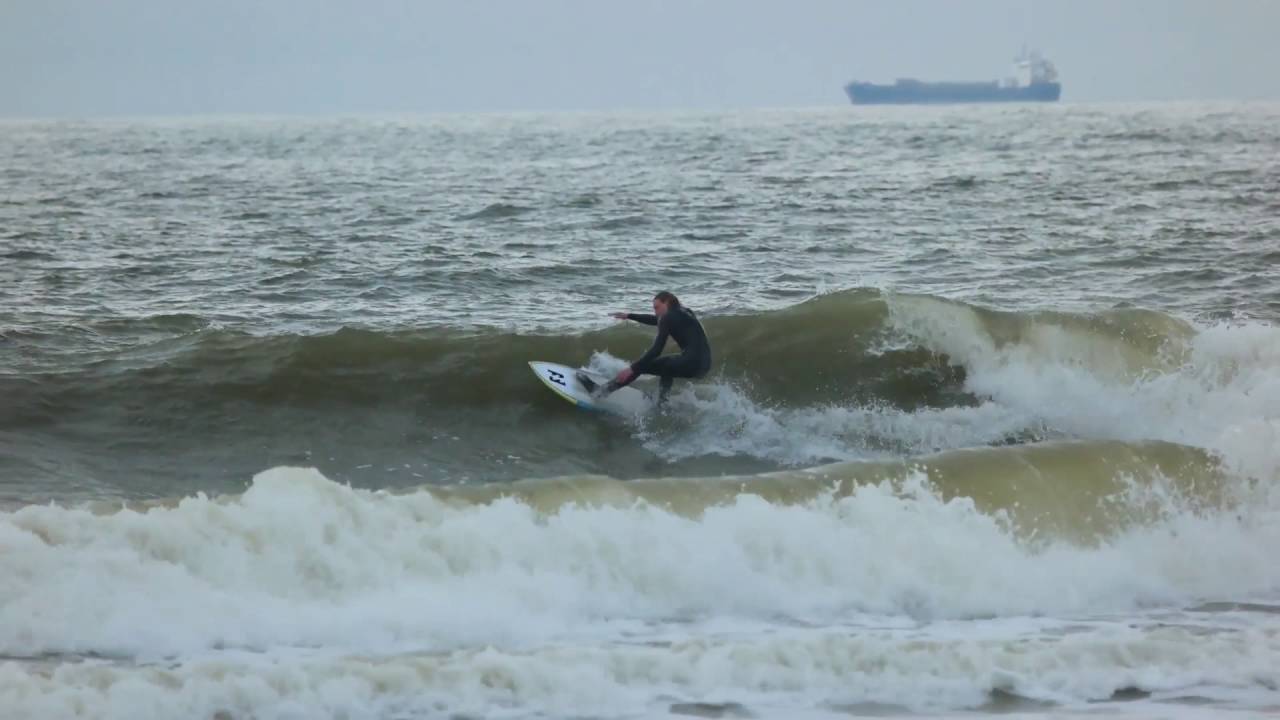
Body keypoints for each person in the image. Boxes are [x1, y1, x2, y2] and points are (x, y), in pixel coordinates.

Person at [586, 291, 712, 403]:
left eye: (657, 308)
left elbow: (656, 350)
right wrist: (629, 315)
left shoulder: (668, 317)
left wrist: (632, 368)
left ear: (667, 302)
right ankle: (663, 402)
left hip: (690, 362)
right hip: (703, 365)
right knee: (667, 366)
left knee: (644, 365)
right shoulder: (686, 312)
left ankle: (601, 392)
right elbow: (655, 319)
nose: (655, 312)